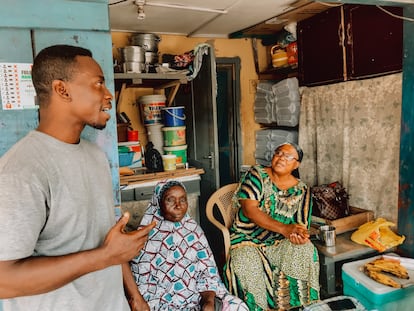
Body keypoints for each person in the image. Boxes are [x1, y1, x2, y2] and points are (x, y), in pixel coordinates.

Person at [0, 44, 155, 310]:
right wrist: (104, 257)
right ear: (62, 89)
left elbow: (108, 239)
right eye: (98, 84)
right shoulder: (22, 169)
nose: (108, 96)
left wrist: (133, 295)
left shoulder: (94, 156)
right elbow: (5, 281)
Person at [224, 142, 320, 310]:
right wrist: (285, 228)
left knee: (305, 250)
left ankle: (298, 305)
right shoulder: (256, 174)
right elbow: (249, 210)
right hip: (247, 238)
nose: (282, 158)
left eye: (288, 156)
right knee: (247, 263)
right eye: (279, 153)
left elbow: (300, 225)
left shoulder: (303, 189)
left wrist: (299, 235)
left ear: (296, 164)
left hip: (279, 241)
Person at [127, 180, 249, 311]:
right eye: (170, 200)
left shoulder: (193, 232)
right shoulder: (146, 237)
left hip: (198, 298)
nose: (178, 205)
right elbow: (143, 285)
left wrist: (208, 301)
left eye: (183, 200)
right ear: (158, 203)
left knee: (238, 306)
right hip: (161, 304)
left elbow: (208, 273)